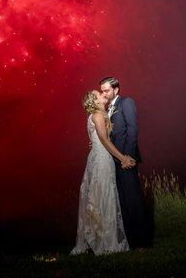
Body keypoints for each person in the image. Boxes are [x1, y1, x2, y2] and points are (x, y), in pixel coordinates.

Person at [70, 90, 136, 255]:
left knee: (98, 196)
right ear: (95, 100)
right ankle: (107, 242)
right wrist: (123, 158)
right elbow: (104, 139)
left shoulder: (97, 114)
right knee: (104, 195)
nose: (102, 94)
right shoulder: (98, 115)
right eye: (99, 93)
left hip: (98, 158)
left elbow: (97, 139)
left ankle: (97, 239)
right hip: (101, 160)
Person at [100, 76, 150, 250]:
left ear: (116, 89)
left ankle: (143, 243)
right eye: (102, 90)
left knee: (134, 200)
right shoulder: (106, 109)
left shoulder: (126, 102)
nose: (104, 94)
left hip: (126, 160)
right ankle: (130, 242)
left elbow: (132, 129)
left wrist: (126, 158)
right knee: (122, 202)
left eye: (106, 90)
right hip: (113, 161)